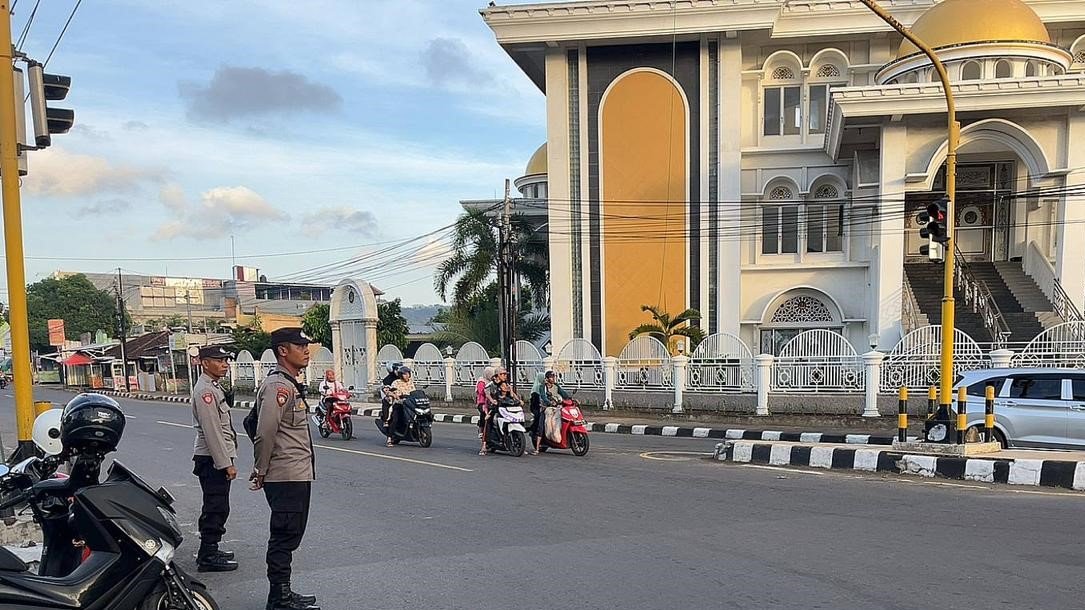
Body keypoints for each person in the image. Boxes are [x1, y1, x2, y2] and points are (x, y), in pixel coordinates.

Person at [250, 327, 318, 610]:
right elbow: (265, 432)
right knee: (283, 536)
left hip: (296, 473)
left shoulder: (289, 384)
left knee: (290, 535)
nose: (306, 350)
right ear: (282, 350)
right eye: (299, 345)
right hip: (286, 475)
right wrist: (261, 469)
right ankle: (279, 598)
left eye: (306, 346)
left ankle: (284, 592)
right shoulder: (278, 386)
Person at [191, 345, 239, 572]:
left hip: (214, 457)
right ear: (204, 363)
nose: (225, 364)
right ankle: (207, 555)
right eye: (219, 360)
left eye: (226, 360)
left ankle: (211, 548)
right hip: (211, 459)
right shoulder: (205, 392)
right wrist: (225, 463)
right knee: (216, 506)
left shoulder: (212, 387)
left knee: (218, 505)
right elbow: (212, 432)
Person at [531, 370, 572, 454]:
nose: (553, 379)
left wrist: (570, 398)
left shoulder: (556, 386)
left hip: (556, 408)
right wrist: (549, 402)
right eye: (551, 377)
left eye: (554, 377)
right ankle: (537, 448)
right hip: (546, 408)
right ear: (546, 379)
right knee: (541, 426)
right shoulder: (542, 387)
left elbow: (563, 393)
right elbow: (543, 396)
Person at [385, 366, 416, 447]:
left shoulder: (411, 382)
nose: (407, 376)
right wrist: (394, 395)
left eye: (408, 374)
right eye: (405, 374)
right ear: (401, 375)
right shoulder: (396, 382)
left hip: (410, 404)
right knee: (395, 419)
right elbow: (389, 392)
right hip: (399, 404)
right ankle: (389, 438)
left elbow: (414, 392)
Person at [475, 366, 494, 440]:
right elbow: (481, 392)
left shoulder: (492, 382)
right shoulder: (481, 381)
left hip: (492, 402)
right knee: (484, 414)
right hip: (482, 402)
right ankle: (481, 430)